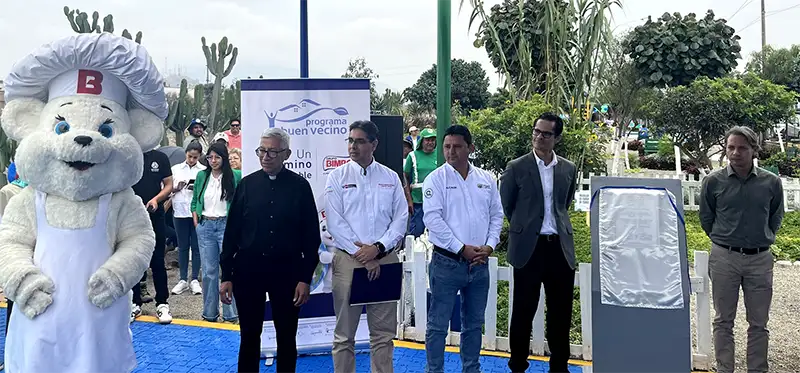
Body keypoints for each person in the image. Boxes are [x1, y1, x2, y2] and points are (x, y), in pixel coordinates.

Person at [221, 128, 320, 373]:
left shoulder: (299, 186)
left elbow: (311, 237)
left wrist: (304, 278)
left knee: (287, 337)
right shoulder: (246, 184)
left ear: (287, 154)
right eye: (262, 151)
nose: (266, 156)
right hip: (249, 271)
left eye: (273, 152)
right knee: (249, 337)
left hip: (287, 272)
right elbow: (232, 232)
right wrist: (227, 276)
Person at [325, 121, 408, 373]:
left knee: (383, 336)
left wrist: (378, 248)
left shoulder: (390, 177)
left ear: (374, 144)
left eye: (359, 141)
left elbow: (401, 217)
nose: (353, 146)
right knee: (344, 336)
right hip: (349, 261)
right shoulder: (337, 177)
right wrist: (362, 254)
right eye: (350, 140)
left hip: (384, 260)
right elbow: (334, 221)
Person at [699, 126, 784, 373]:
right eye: (731, 147)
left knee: (759, 323)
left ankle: (757, 370)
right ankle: (725, 369)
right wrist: (724, 239)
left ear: (754, 150)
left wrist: (763, 237)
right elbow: (707, 217)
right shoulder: (713, 182)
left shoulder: (771, 182)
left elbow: (776, 216)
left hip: (760, 259)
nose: (735, 153)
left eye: (742, 148)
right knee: (723, 320)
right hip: (724, 258)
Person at [499, 113, 578, 373]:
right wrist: (525, 227)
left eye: (545, 134)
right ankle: (518, 365)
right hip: (528, 249)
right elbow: (508, 205)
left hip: (559, 248)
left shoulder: (568, 168)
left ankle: (559, 366)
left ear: (556, 137)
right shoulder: (516, 167)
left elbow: (564, 204)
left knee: (560, 313)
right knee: (523, 311)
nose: (539, 137)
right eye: (536, 131)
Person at [422, 125, 503, 373]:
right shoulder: (435, 179)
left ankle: (471, 369)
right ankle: (434, 370)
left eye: (457, 146)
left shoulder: (487, 180)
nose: (450, 152)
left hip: (479, 264)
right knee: (437, 325)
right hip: (447, 263)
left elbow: (496, 215)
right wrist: (460, 248)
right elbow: (433, 220)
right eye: (447, 146)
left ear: (471, 148)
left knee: (473, 324)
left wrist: (489, 246)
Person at [192, 142, 241, 323]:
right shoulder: (202, 176)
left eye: (217, 157)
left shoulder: (235, 176)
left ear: (224, 158)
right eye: (210, 157)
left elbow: (240, 202)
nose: (213, 161)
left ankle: (231, 314)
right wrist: (196, 219)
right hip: (206, 225)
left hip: (226, 226)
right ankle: (210, 313)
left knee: (228, 270)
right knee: (208, 272)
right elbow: (196, 198)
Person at [131, 149, 175, 324]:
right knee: (133, 261)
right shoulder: (129, 155)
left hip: (155, 216)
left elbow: (169, 185)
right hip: (132, 217)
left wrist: (157, 199)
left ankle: (162, 303)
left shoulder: (160, 157)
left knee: (157, 260)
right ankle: (134, 303)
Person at [170, 142, 205, 295]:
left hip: (196, 212)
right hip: (179, 211)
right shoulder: (176, 169)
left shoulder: (203, 170)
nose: (192, 160)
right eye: (190, 156)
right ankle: (183, 279)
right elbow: (165, 188)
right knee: (183, 246)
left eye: (195, 157)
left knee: (196, 247)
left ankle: (195, 279)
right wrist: (176, 187)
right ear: (186, 154)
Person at [403, 128, 437, 238]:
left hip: (436, 202)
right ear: (421, 141)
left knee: (435, 233)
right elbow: (405, 177)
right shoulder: (412, 156)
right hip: (418, 202)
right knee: (417, 232)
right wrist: (409, 200)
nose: (430, 142)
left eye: (432, 140)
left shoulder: (440, 155)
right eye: (427, 140)